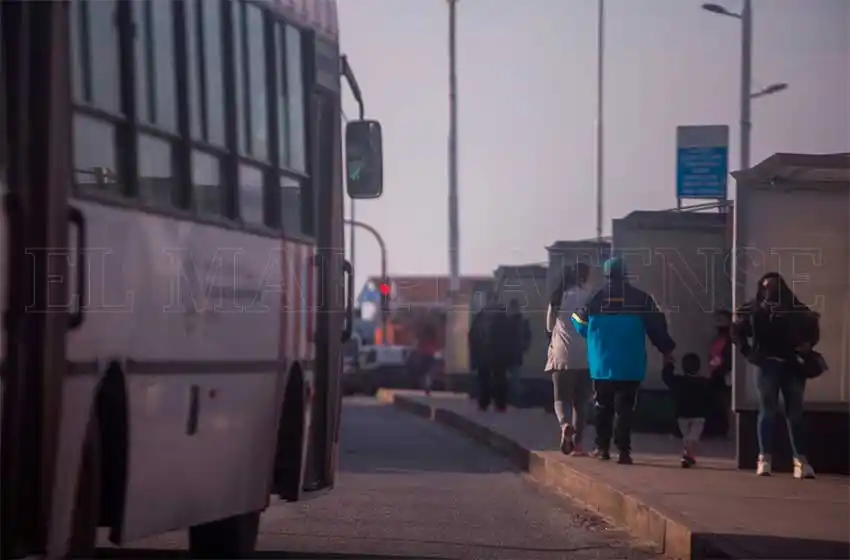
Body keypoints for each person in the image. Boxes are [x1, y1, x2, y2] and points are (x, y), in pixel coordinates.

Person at [571, 257, 676, 464]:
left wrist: (593, 333)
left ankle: (602, 448)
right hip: (631, 364)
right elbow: (657, 326)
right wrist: (667, 349)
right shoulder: (641, 298)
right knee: (626, 409)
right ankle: (624, 451)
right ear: (625, 274)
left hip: (602, 363)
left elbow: (578, 321)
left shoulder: (595, 297)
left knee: (603, 406)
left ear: (606, 274)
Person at [732, 272, 819, 479]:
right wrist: (749, 352)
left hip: (791, 365)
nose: (770, 291)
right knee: (768, 411)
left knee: (794, 413)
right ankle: (765, 458)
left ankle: (799, 460)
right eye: (766, 286)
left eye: (774, 286)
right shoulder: (755, 308)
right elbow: (737, 330)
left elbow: (812, 327)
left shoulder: (795, 308)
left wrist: (807, 345)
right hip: (767, 364)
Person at [546, 263, 593, 456]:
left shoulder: (558, 298)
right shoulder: (590, 298)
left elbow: (549, 327)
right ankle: (578, 446)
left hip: (561, 355)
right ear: (584, 277)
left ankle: (564, 425)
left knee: (561, 398)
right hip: (586, 357)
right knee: (580, 403)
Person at [662, 353, 712, 468]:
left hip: (682, 414)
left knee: (687, 437)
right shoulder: (704, 382)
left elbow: (667, 377)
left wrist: (669, 365)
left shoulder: (679, 381)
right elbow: (710, 398)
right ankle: (688, 456)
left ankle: (688, 455)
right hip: (699, 415)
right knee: (693, 437)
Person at [708, 309, 733, 437]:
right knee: (723, 404)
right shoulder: (718, 340)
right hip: (718, 375)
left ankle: (730, 429)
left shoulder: (727, 341)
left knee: (727, 403)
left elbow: (727, 360)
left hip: (722, 375)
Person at [505, 298, 532, 406]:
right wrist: (523, 348)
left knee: (512, 378)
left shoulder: (508, 322)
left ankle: (514, 400)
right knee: (515, 378)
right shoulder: (522, 321)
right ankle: (515, 400)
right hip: (516, 353)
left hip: (509, 353)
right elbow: (528, 337)